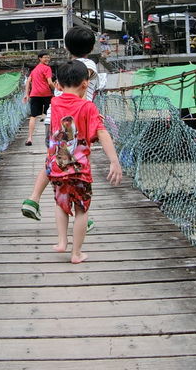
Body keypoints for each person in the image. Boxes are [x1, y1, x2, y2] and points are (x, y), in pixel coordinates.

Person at [43, 60, 122, 264]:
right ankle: (76, 253)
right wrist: (114, 161)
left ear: (58, 85)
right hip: (79, 169)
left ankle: (62, 242)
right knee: (81, 209)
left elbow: (63, 128)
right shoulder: (88, 106)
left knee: (60, 204)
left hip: (58, 165)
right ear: (85, 84)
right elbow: (101, 133)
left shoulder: (54, 103)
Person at [22, 28, 99, 220]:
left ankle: (34, 198)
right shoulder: (88, 66)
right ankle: (82, 214)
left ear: (66, 46)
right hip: (76, 122)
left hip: (53, 119)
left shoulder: (65, 67)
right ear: (91, 47)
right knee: (78, 166)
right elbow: (86, 85)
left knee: (53, 162)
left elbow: (59, 86)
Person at [22, 52, 54, 145]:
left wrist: (27, 94)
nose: (47, 59)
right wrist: (56, 90)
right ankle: (51, 137)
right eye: (45, 57)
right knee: (50, 116)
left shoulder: (34, 70)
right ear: (40, 58)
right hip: (46, 94)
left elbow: (28, 81)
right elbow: (50, 82)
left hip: (34, 95)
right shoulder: (47, 68)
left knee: (33, 116)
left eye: (48, 57)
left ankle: (29, 138)